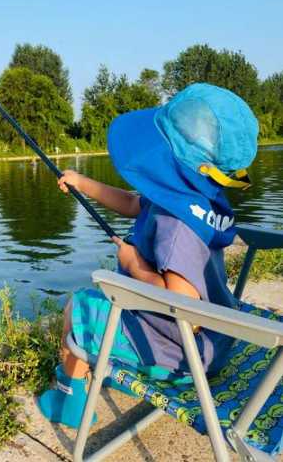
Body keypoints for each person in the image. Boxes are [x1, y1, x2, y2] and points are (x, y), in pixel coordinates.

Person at [38, 82, 259, 429]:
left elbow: (186, 307)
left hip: (186, 355)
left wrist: (134, 265)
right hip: (217, 340)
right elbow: (130, 203)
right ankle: (98, 365)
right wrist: (82, 183)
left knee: (78, 307)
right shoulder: (194, 198)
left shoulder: (176, 228)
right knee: (96, 307)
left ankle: (69, 400)